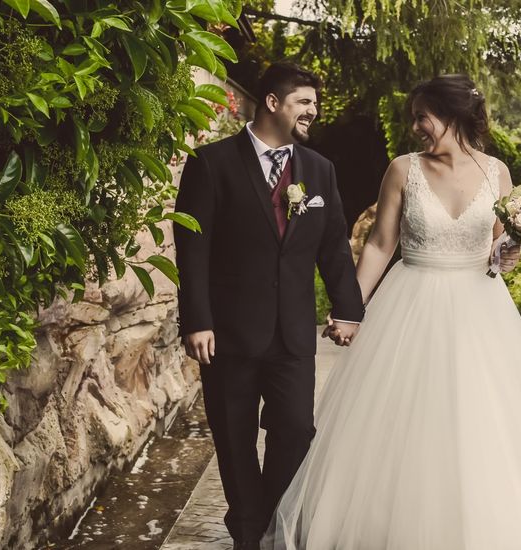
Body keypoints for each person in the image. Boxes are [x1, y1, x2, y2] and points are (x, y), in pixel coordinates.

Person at [262, 74, 521, 549]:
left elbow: (497, 250)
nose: (416, 127)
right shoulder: (402, 169)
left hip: (480, 313)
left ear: (451, 117)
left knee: (481, 423)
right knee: (400, 422)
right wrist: (351, 308)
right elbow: (380, 245)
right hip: (410, 303)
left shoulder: (497, 172)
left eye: (422, 117)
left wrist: (508, 252)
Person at [173, 63, 365, 550]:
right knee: (234, 437)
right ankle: (247, 530)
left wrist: (348, 309)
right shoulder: (211, 163)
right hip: (229, 332)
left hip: (293, 334)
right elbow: (193, 248)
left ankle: (267, 516)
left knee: (297, 429)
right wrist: (197, 319)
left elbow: (334, 249)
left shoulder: (320, 170)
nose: (313, 111)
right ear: (274, 103)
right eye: (304, 102)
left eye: (315, 104)